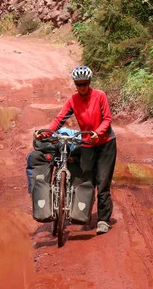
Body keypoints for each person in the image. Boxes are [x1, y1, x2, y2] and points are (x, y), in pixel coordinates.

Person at [40, 65, 116, 235]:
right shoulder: (73, 100)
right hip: (87, 144)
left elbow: (107, 118)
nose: (82, 87)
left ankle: (103, 220)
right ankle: (84, 214)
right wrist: (46, 133)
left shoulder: (99, 96)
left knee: (103, 182)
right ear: (75, 84)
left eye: (85, 83)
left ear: (89, 82)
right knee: (87, 181)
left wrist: (98, 132)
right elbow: (60, 119)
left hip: (105, 143)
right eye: (79, 84)